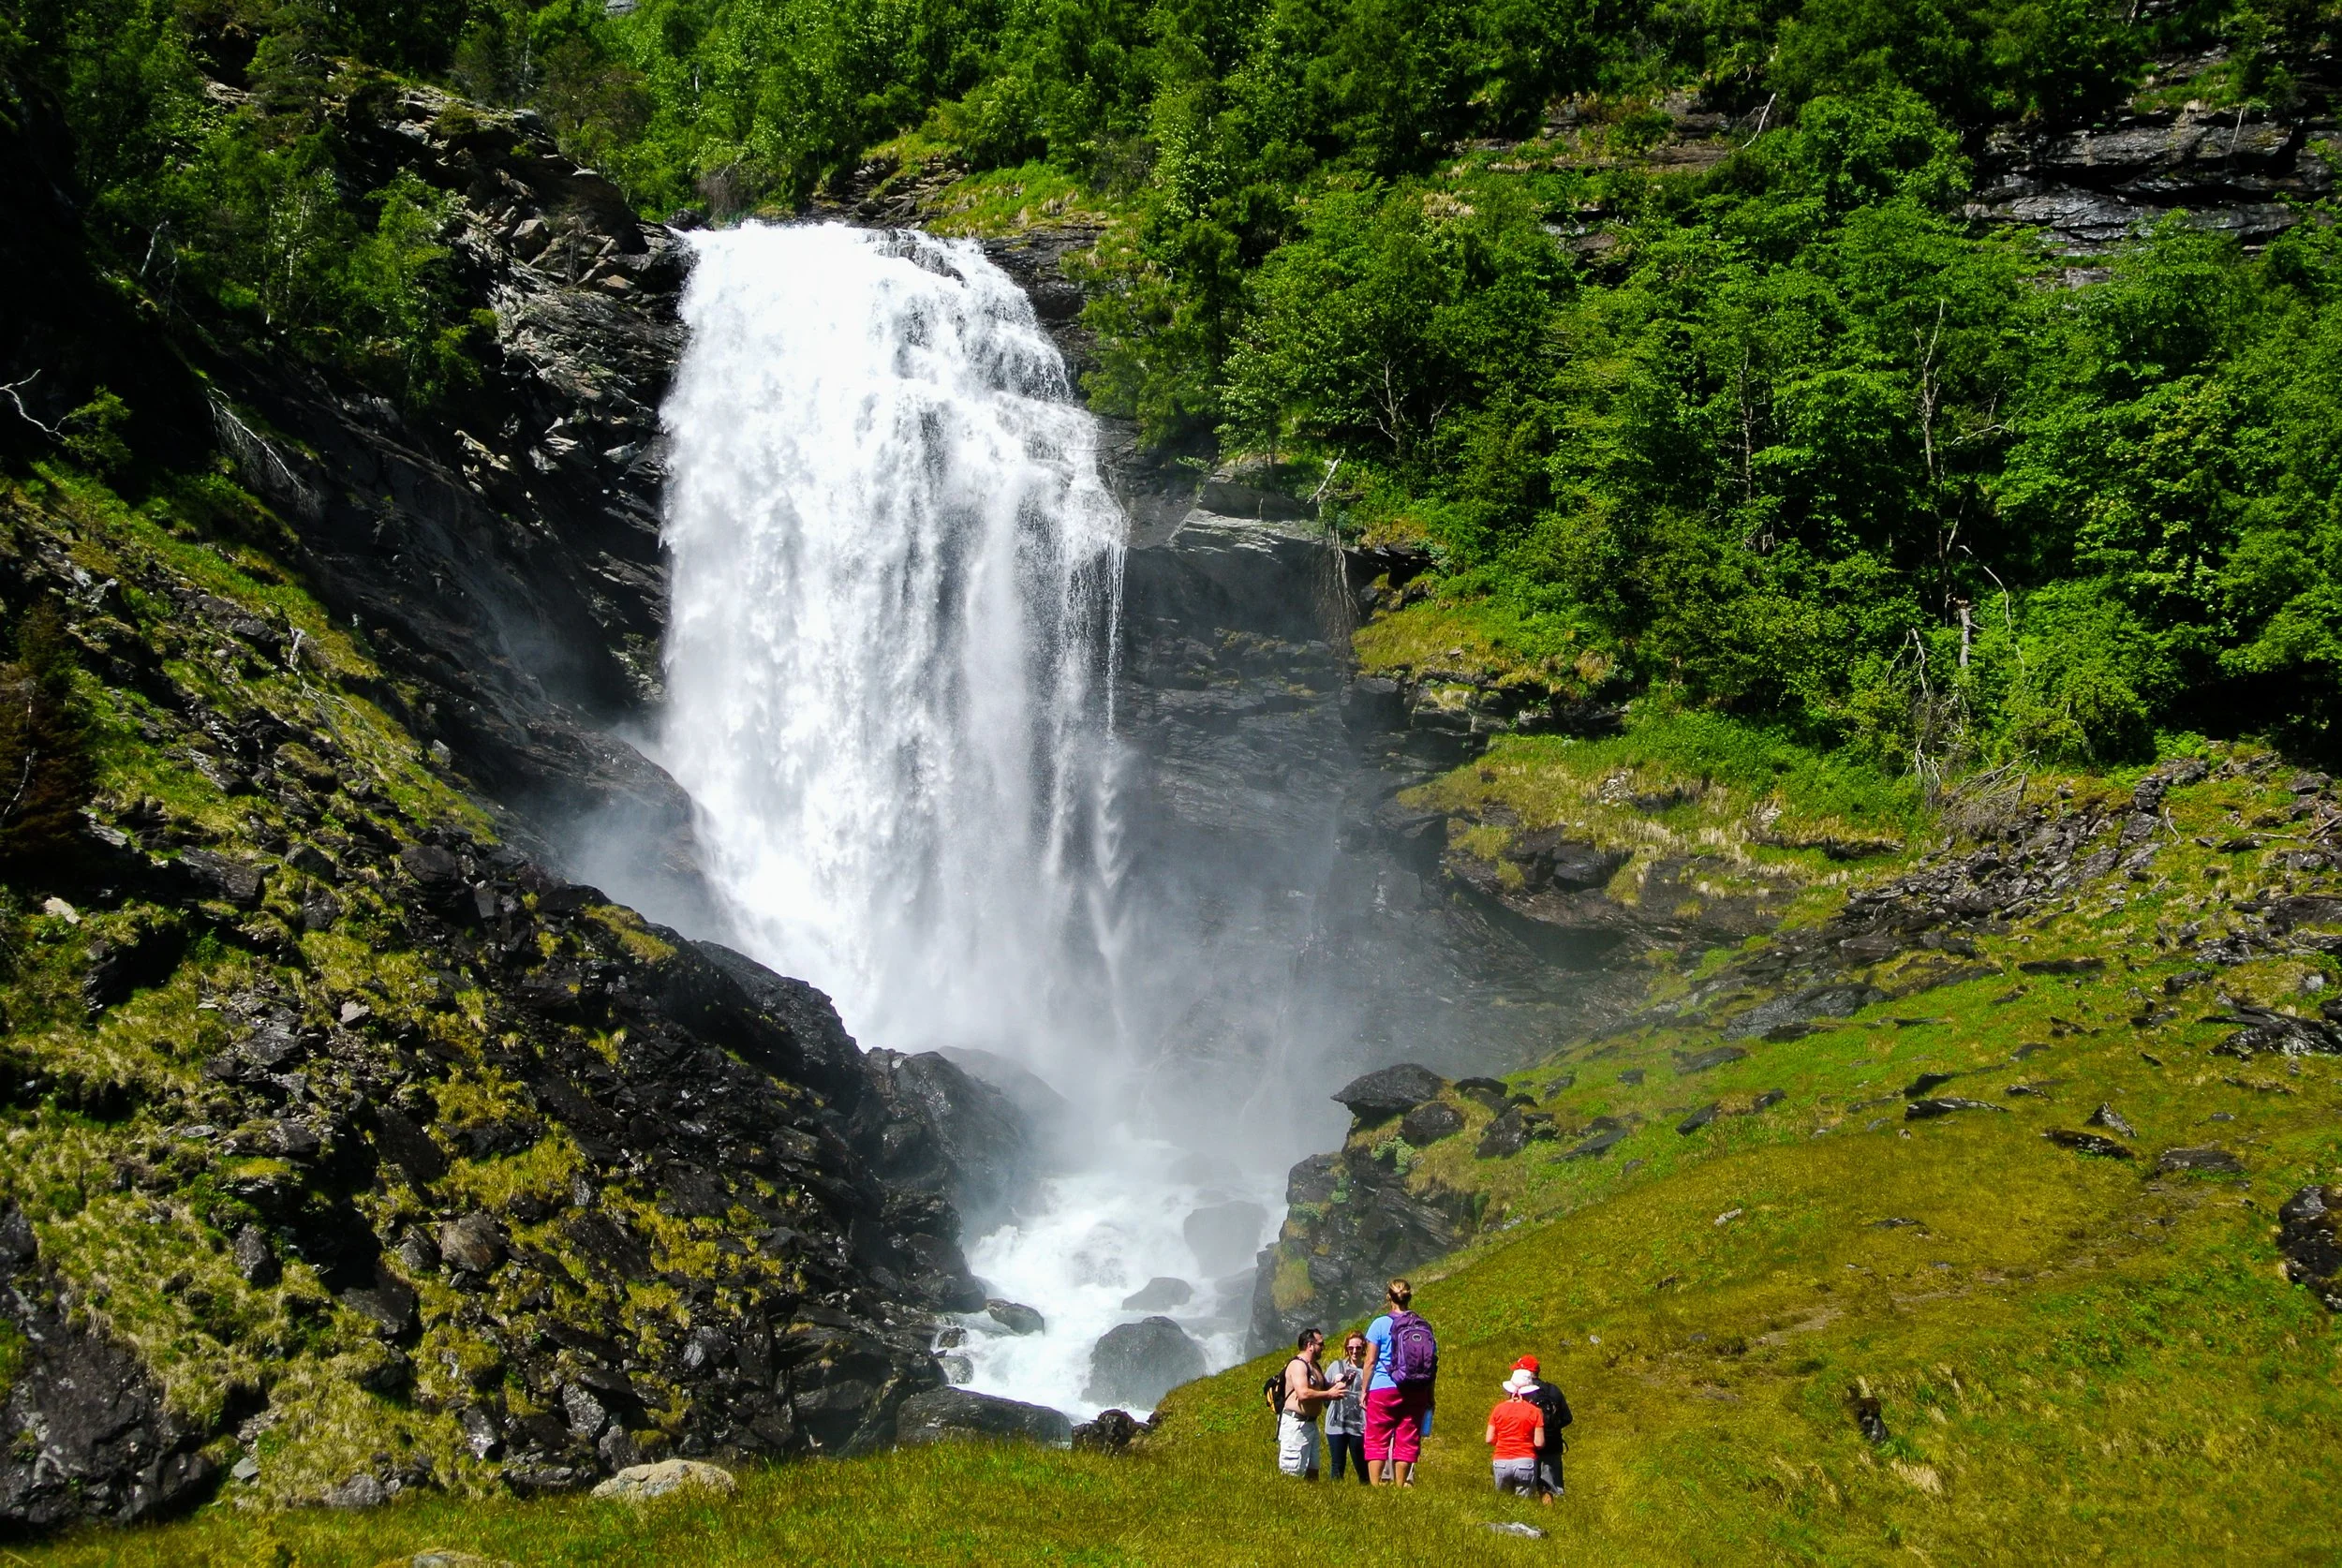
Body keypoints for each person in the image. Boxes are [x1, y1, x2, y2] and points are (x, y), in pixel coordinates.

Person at [1360, 1277, 1437, 1487]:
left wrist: (1364, 1389)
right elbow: (1432, 1364)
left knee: (1377, 1438)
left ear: (1388, 1297)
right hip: (1416, 1389)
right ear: (1409, 1297)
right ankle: (1401, 1486)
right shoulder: (1423, 1326)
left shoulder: (1379, 1324)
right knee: (1408, 1438)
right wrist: (1430, 1395)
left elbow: (1370, 1361)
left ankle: (1375, 1487)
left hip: (1383, 1387)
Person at [1277, 1327, 1350, 1480]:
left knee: (1312, 1470)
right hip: (1296, 1425)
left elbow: (1322, 1388)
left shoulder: (1315, 1366)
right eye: (1320, 1344)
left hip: (1311, 1424)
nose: (1323, 1347)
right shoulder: (1298, 1365)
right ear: (1310, 1345)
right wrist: (1329, 1394)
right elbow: (1303, 1393)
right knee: (1292, 1472)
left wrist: (1337, 1385)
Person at [1510, 1354, 1572, 1502]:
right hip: (1552, 1446)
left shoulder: (1520, 1393)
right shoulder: (1553, 1390)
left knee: (1524, 1490)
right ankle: (1555, 1516)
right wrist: (1551, 1430)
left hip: (1526, 1446)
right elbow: (1567, 1418)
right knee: (1552, 1488)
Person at [1486, 1368, 1545, 1497]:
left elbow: (1489, 1439)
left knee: (1503, 1502)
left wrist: (1503, 1441)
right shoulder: (1535, 1411)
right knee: (1523, 1505)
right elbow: (1539, 1443)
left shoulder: (1498, 1409)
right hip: (1525, 1461)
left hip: (1501, 1461)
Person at [1323, 1330, 1371, 1483]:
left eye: (1358, 1347)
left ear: (1363, 1348)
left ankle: (1366, 1492)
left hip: (1359, 1424)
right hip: (1336, 1424)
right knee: (1337, 1464)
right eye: (1351, 1348)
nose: (1355, 1351)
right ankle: (1335, 1495)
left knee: (1362, 1465)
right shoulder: (1335, 1367)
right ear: (1346, 1348)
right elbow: (1324, 1390)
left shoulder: (1368, 1370)